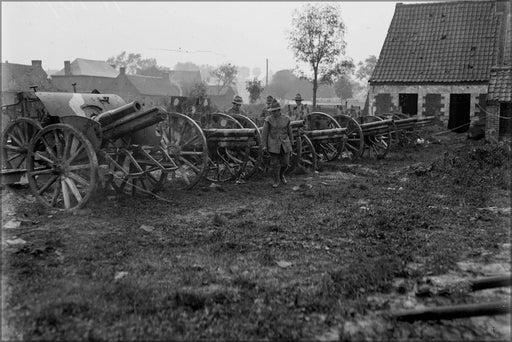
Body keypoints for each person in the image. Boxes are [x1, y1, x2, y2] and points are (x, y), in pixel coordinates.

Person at [261, 99, 293, 188]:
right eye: (272, 111)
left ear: (279, 110)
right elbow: (264, 134)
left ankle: (281, 175)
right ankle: (276, 180)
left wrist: (291, 143)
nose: (273, 113)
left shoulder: (286, 119)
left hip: (284, 144)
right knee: (274, 164)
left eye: (275, 111)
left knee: (285, 163)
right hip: (273, 145)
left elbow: (290, 132)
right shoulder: (268, 120)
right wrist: (264, 146)